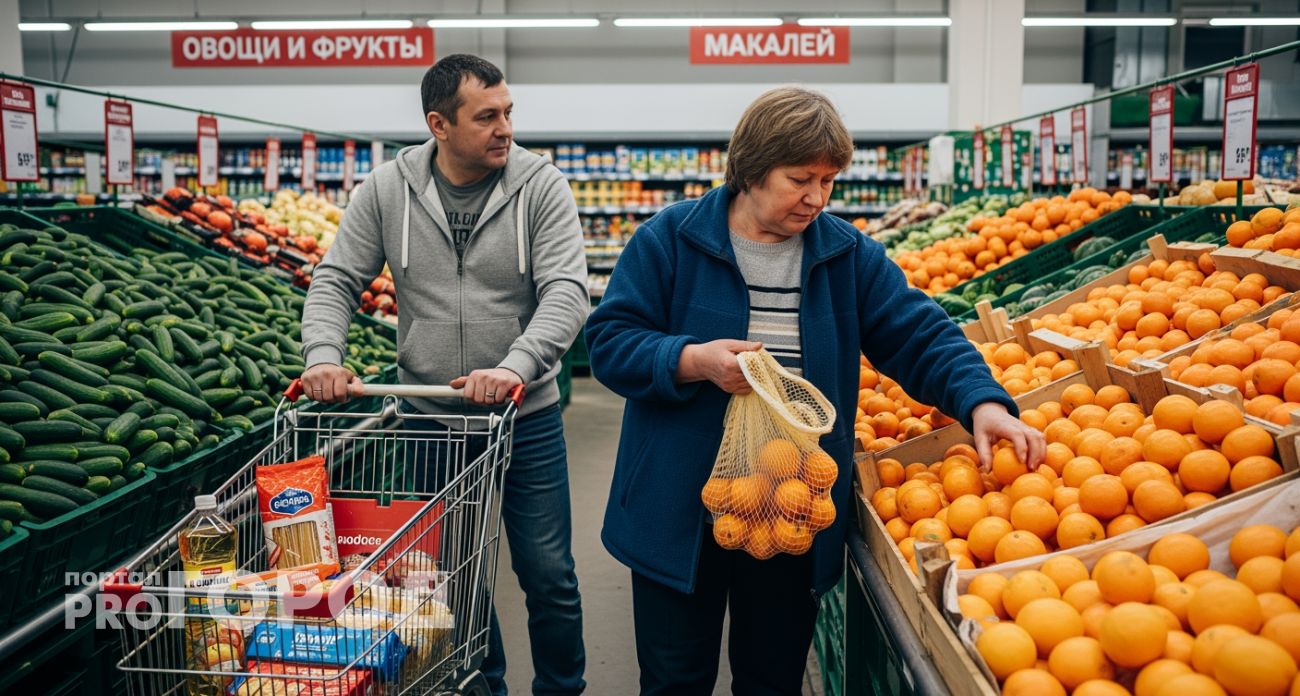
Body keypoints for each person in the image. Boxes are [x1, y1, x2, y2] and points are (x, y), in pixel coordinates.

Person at [585, 87, 1046, 695]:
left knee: (772, 679)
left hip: (792, 507)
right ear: (750, 168)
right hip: (679, 507)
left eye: (828, 180)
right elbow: (611, 341)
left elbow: (919, 332)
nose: (817, 197)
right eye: (800, 178)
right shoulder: (670, 240)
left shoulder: (844, 253)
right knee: (675, 680)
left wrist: (982, 402)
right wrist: (692, 360)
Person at [300, 54, 588, 696]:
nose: (505, 128)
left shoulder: (541, 186)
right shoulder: (385, 189)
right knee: (454, 575)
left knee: (548, 573)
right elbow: (336, 279)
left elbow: (567, 293)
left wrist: (513, 367)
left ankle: (562, 688)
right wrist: (324, 354)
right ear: (439, 124)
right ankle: (484, 685)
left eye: (508, 112)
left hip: (525, 418)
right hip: (430, 419)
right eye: (487, 116)